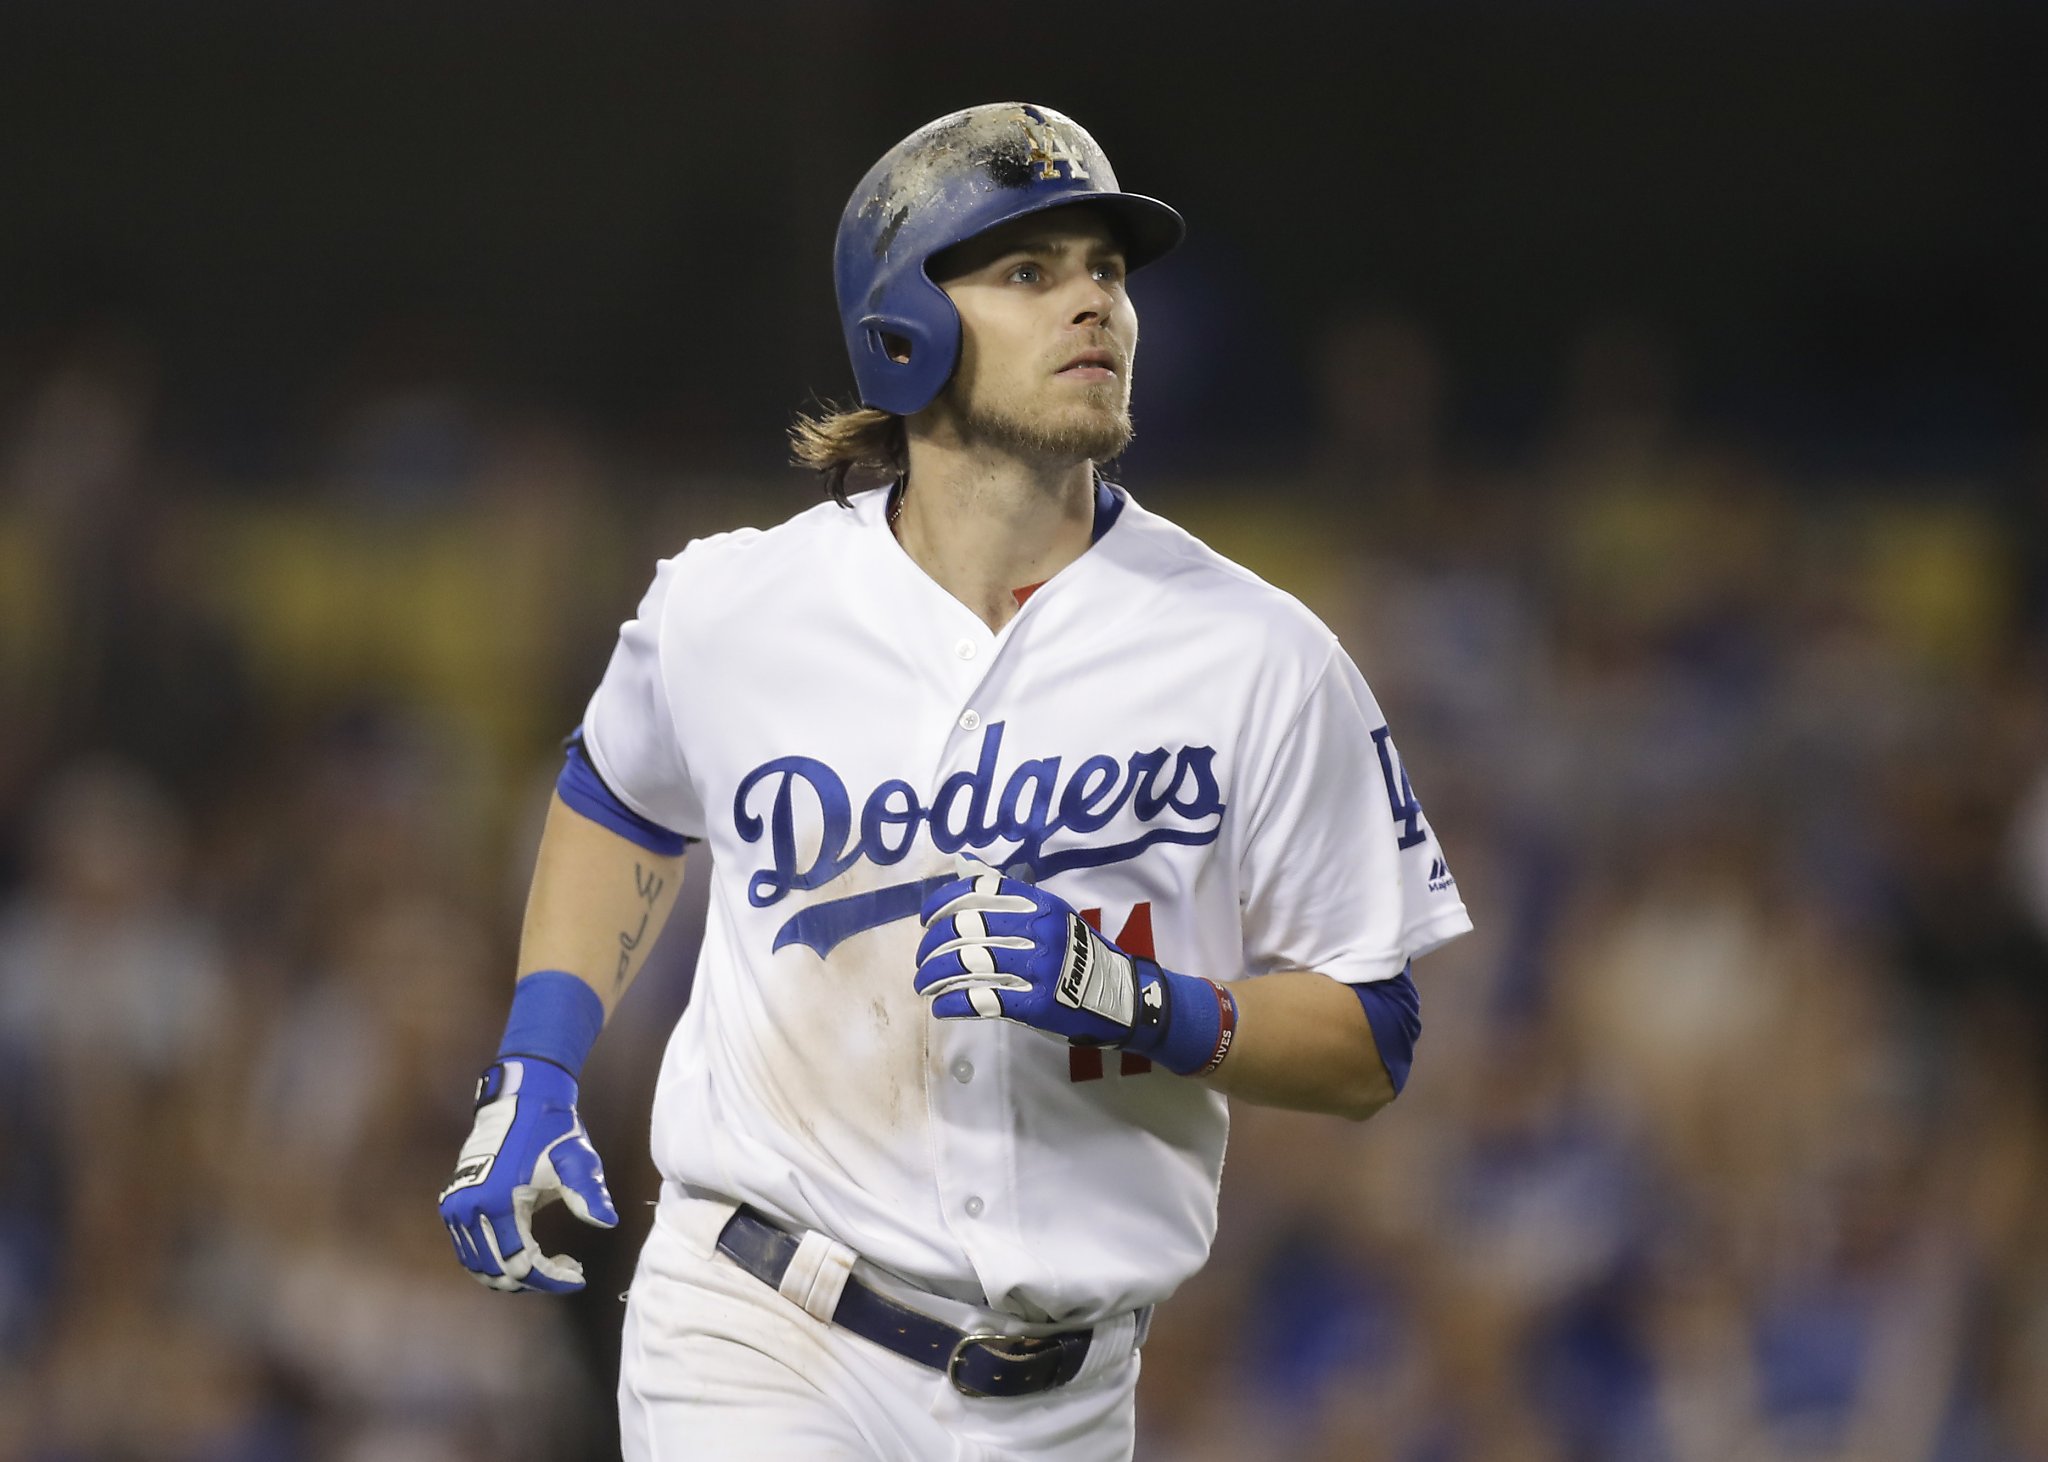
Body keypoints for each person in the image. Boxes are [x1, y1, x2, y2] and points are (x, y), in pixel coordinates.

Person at [438, 101, 1472, 1461]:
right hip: (760, 1325)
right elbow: (620, 793)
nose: (1094, 302)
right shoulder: (736, 606)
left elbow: (1374, 1033)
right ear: (902, 330)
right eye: (1030, 273)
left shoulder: (1255, 650)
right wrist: (538, 1063)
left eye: (1105, 268)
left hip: (1066, 1391)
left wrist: (1148, 1003)